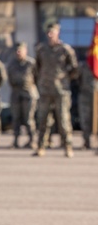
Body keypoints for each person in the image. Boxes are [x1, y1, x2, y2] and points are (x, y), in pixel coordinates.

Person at [35, 21, 78, 157]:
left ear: (57, 33)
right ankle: (41, 146)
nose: (50, 35)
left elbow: (74, 69)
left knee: (63, 120)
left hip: (61, 91)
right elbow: (37, 69)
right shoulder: (41, 49)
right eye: (48, 32)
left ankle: (67, 146)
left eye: (52, 32)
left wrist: (63, 80)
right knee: (43, 119)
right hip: (45, 91)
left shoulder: (65, 49)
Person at [7, 42, 38, 150]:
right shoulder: (11, 64)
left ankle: (32, 140)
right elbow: (9, 78)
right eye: (17, 50)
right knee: (16, 119)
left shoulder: (31, 63)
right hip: (16, 93)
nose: (18, 53)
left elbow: (37, 77)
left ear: (26, 51)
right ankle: (15, 141)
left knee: (29, 119)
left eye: (21, 50)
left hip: (28, 94)